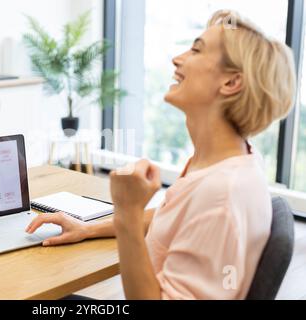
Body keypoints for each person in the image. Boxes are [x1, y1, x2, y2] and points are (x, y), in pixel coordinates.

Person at [26, 10, 296, 299]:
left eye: (196, 50)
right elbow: (172, 218)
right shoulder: (232, 160)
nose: (177, 59)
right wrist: (87, 229)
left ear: (230, 83)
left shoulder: (220, 195)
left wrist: (128, 211)